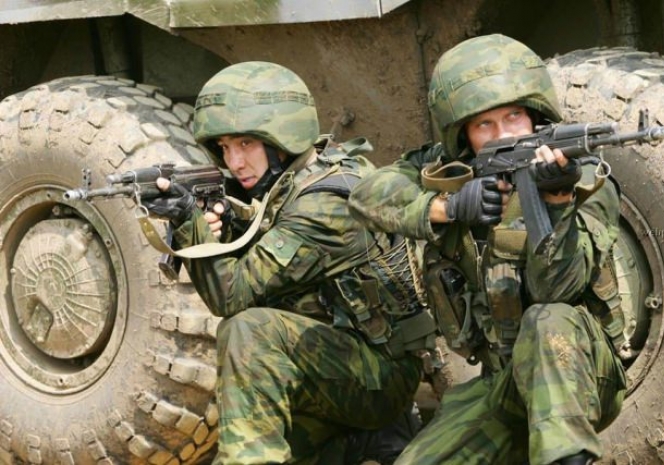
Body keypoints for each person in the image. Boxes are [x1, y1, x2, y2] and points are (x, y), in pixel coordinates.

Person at [348, 34, 628, 465]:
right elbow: (366, 196)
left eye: (514, 116)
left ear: (534, 114)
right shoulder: (449, 167)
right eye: (484, 125)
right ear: (462, 134)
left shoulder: (587, 180)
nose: (504, 134)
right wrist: (448, 206)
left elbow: (558, 290)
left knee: (546, 319)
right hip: (502, 381)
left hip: (581, 374)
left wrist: (556, 202)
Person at [140, 61, 438, 465]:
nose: (234, 162)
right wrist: (224, 223)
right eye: (225, 147)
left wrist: (190, 220)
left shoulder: (323, 205)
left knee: (248, 330)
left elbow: (231, 295)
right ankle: (367, 440)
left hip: (380, 380)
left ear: (282, 139)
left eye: (246, 144)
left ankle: (369, 429)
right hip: (345, 363)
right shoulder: (307, 174)